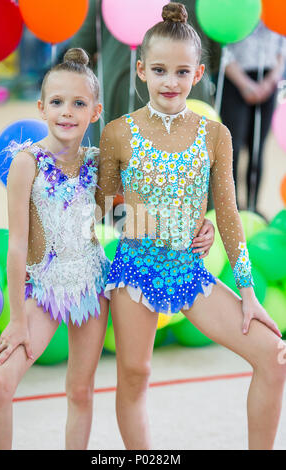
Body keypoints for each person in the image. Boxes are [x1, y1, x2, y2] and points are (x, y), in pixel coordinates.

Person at [95, 3, 286, 450]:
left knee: (272, 358)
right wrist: (137, 218)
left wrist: (248, 293)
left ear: (198, 73)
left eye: (182, 72)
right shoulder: (118, 133)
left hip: (187, 270)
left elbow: (230, 212)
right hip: (136, 270)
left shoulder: (214, 134)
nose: (170, 81)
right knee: (135, 375)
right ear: (141, 70)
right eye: (159, 70)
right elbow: (104, 203)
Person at [0, 48, 111, 450]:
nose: (66, 112)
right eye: (57, 102)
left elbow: (132, 213)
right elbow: (18, 246)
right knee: (0, 383)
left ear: (95, 111)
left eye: (78, 103)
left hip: (92, 285)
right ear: (41, 107)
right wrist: (18, 319)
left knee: (80, 390)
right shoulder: (28, 162)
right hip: (43, 290)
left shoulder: (98, 162)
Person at [70, 0, 221, 147]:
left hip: (120, 85)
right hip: (186, 88)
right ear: (141, 69)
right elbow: (217, 49)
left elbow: (82, 47)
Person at [220, 21, 286, 212]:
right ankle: (230, 210)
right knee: (232, 149)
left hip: (269, 78)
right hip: (236, 78)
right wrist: (244, 84)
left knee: (258, 148)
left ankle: (252, 207)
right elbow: (222, 46)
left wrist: (272, 79)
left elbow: (282, 41)